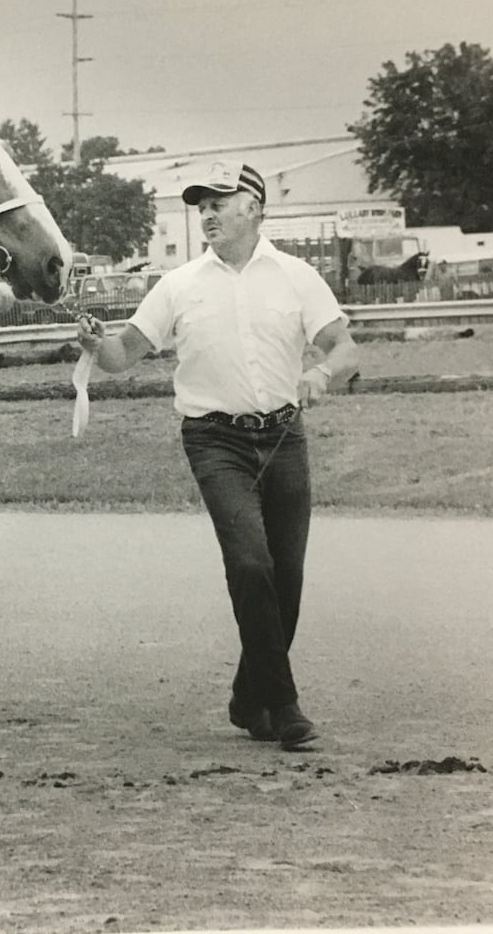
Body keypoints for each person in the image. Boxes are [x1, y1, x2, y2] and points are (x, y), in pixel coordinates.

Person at [75, 161, 359, 750]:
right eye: (200, 205)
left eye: (218, 202)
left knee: (287, 583)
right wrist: (94, 344)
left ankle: (245, 696)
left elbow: (345, 347)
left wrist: (322, 372)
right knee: (250, 565)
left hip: (284, 436)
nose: (205, 214)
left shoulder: (297, 276)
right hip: (214, 440)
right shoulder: (179, 285)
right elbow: (122, 353)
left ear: (252, 207)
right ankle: (284, 707)